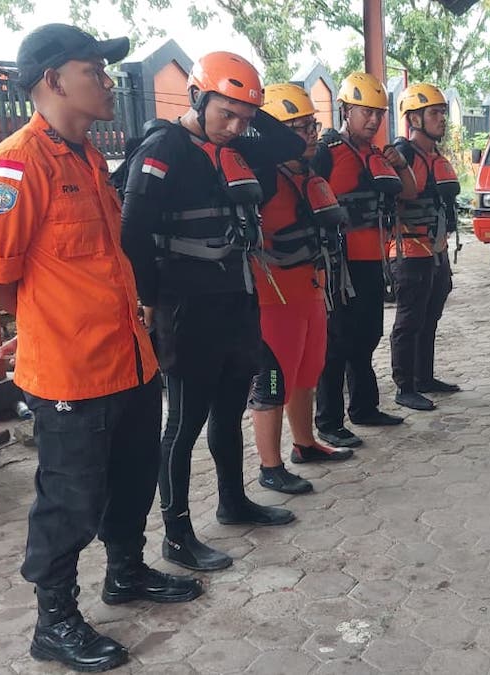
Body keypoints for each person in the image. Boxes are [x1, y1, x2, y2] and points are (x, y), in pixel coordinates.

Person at [0, 24, 201, 672]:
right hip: (70, 374)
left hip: (129, 358)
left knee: (131, 479)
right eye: (93, 69)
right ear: (52, 80)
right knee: (68, 500)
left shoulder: (88, 157)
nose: (105, 80)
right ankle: (55, 619)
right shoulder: (18, 165)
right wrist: (39, 321)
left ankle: (125, 571)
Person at [119, 52, 306, 573]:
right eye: (226, 113)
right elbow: (132, 229)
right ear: (197, 99)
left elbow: (289, 143)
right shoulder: (163, 148)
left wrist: (248, 103)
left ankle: (233, 500)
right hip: (186, 308)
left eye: (246, 118)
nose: (237, 126)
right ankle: (176, 534)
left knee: (228, 411)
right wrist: (149, 300)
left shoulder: (235, 148)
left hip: (235, 301)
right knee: (184, 422)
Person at [247, 83, 356, 469]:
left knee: (308, 370)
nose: (310, 134)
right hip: (273, 296)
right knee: (273, 381)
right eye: (298, 128)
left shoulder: (308, 174)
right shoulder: (260, 177)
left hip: (311, 289)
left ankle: (305, 443)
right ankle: (270, 467)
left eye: (311, 125)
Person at [312, 72, 418, 447]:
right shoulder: (326, 151)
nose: (373, 120)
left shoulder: (377, 154)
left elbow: (408, 192)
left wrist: (399, 163)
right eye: (365, 112)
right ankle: (328, 420)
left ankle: (364, 408)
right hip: (340, 265)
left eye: (378, 113)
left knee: (367, 335)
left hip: (373, 260)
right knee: (336, 342)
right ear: (345, 110)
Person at [388, 83, 462, 411]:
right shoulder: (401, 155)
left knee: (431, 316)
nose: (442, 119)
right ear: (414, 118)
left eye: (443, 113)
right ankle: (405, 387)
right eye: (434, 113)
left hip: (436, 250)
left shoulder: (435, 155)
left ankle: (424, 377)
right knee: (409, 320)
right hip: (409, 251)